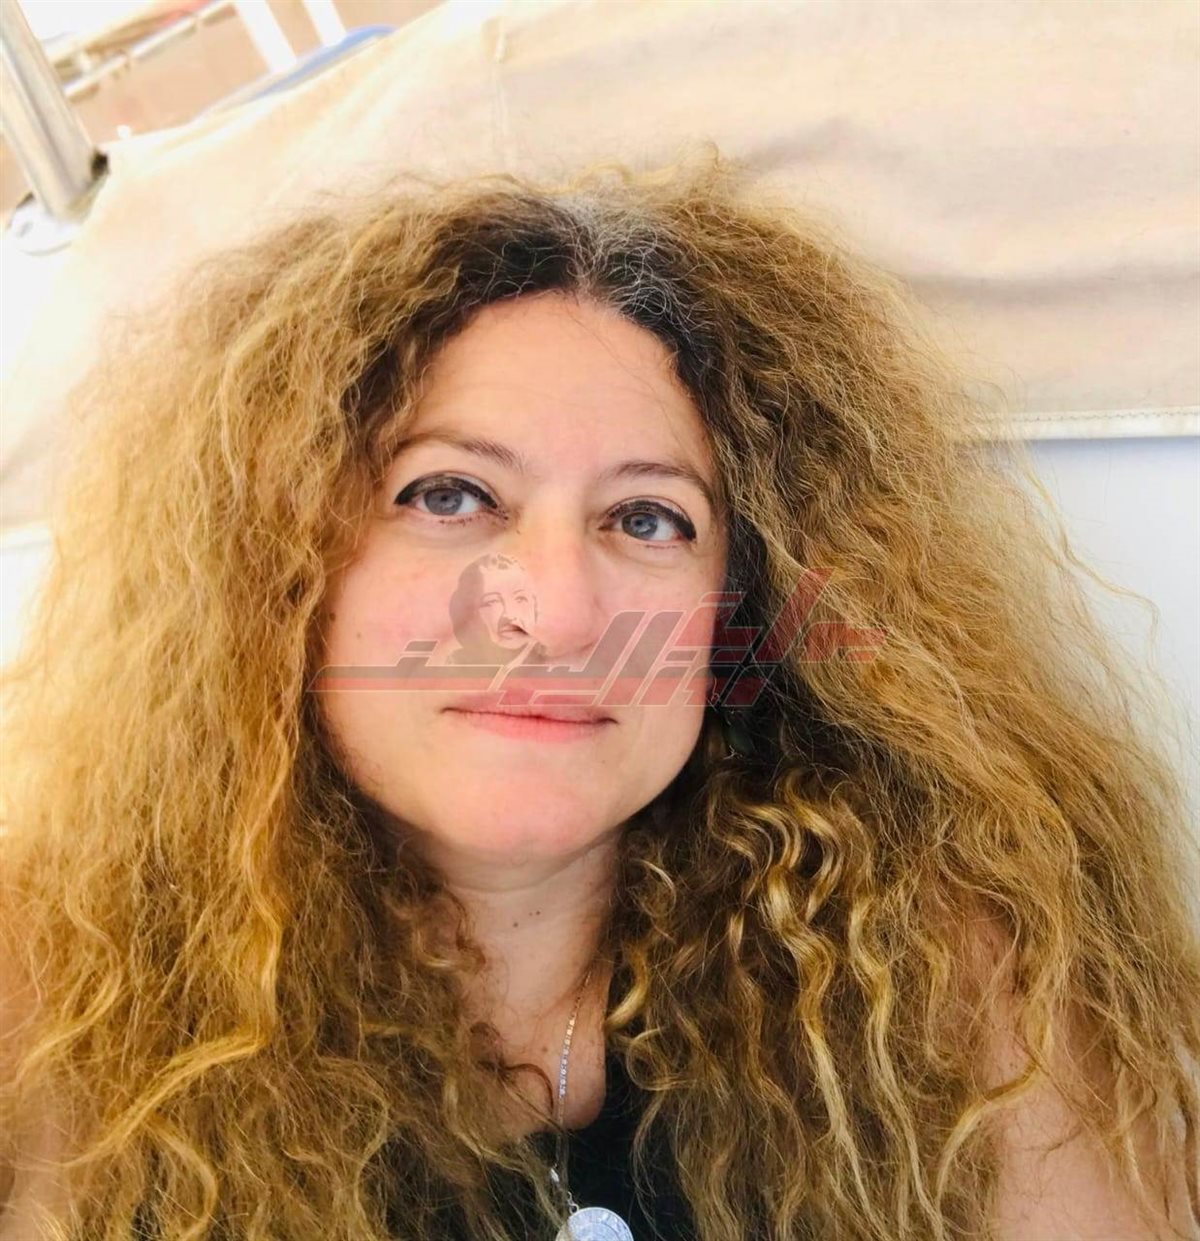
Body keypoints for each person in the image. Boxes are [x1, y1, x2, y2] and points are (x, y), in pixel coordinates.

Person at [1, 150, 1197, 1241]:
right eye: (451, 495)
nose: (562, 612)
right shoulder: (47, 992)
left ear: (736, 613)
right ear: (274, 570)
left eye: (646, 517)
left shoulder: (938, 965)